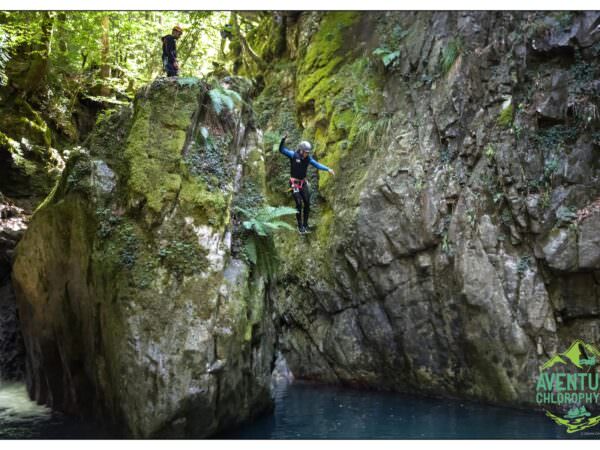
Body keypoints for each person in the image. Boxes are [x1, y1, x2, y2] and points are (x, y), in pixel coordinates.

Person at [279, 134, 335, 234]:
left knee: (307, 203)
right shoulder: (293, 155)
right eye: (305, 152)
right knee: (299, 204)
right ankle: (300, 226)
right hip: (294, 183)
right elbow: (282, 150)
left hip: (303, 183)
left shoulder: (308, 159)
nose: (306, 154)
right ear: (301, 150)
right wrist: (283, 140)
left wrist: (328, 169)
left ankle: (305, 224)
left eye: (308, 152)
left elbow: (317, 165)